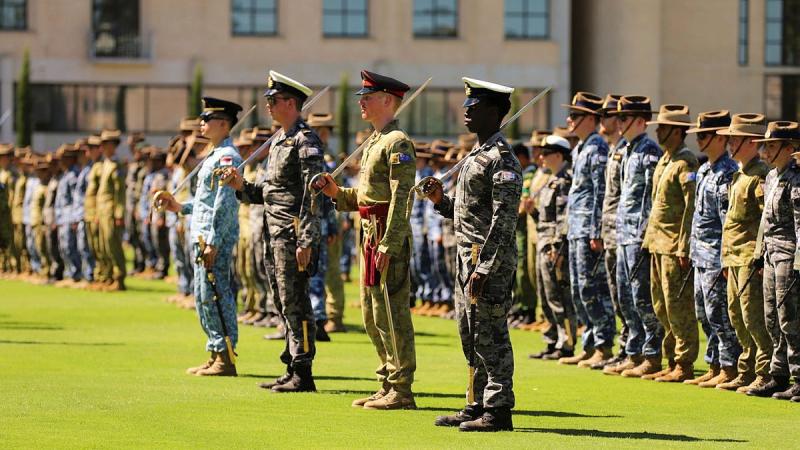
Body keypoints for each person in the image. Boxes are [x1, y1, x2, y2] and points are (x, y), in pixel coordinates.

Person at [421, 77, 520, 432]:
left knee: (491, 334)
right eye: (466, 106)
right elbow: (468, 213)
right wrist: (440, 202)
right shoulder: (477, 155)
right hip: (467, 257)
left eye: (473, 108)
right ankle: (475, 402)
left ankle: (498, 409)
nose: (466, 113)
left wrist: (485, 267)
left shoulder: (502, 159)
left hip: (487, 262)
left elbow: (504, 220)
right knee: (470, 332)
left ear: (493, 113)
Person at [315, 70, 418, 410]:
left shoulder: (397, 142)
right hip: (369, 233)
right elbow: (364, 195)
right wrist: (336, 193)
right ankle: (386, 381)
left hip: (386, 236)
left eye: (368, 97)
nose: (361, 101)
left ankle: (402, 389)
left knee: (391, 313)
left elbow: (401, 198)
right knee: (372, 316)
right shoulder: (375, 141)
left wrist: (389, 243)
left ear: (388, 100)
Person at [223, 72, 323, 391]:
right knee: (281, 299)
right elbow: (270, 191)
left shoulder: (304, 140)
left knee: (296, 301)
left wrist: (306, 239)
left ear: (290, 103)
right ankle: (291, 364)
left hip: (293, 233)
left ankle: (303, 372)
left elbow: (313, 192)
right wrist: (242, 187)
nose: (268, 106)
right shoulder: (279, 139)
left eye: (273, 100)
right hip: (274, 229)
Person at [156, 97, 243, 377]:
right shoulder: (213, 155)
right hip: (202, 234)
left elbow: (224, 204)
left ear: (223, 123)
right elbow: (204, 202)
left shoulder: (228, 157)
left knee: (216, 295)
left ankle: (226, 357)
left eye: (207, 119)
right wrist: (179, 207)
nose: (202, 123)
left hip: (212, 238)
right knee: (203, 296)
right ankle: (215, 351)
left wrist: (214, 241)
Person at [717, 113, 774, 393]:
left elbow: (767, 221)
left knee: (753, 316)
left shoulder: (760, 176)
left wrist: (761, 256)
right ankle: (747, 368)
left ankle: (764, 372)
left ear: (751, 141)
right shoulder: (740, 174)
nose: (729, 144)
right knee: (735, 314)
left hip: (750, 256)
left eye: (735, 139)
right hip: (734, 255)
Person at [685, 111, 742, 387]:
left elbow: (726, 220)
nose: (699, 139)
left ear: (720, 137)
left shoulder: (727, 172)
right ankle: (714, 363)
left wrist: (725, 259)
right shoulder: (706, 169)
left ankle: (730, 366)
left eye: (704, 135)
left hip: (716, 255)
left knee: (719, 313)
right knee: (703, 312)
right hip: (700, 253)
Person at [559, 92, 615, 368]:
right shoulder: (580, 148)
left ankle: (603, 345)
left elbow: (599, 192)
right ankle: (589, 342)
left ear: (591, 119)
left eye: (575, 115)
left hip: (588, 229)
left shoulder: (597, 148)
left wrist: (596, 230)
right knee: (579, 288)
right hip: (576, 227)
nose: (569, 119)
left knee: (592, 288)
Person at [748, 121, 800, 400]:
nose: (765, 150)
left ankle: (798, 376)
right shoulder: (771, 177)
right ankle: (779, 375)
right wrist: (758, 254)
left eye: (771, 145)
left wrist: (799, 263)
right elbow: (764, 223)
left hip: (788, 256)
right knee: (771, 317)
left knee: (789, 318)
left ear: (789, 148)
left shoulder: (797, 178)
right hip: (770, 253)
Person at [530, 135, 577, 362]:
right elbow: (545, 218)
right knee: (546, 295)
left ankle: (566, 342)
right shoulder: (551, 179)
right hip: (543, 241)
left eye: (546, 154)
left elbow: (562, 218)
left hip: (553, 245)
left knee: (559, 296)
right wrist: (531, 211)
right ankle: (552, 340)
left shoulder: (564, 180)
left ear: (558, 155)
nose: (541, 158)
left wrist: (557, 247)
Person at [597, 94, 629, 370]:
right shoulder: (614, 150)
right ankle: (625, 350)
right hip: (610, 232)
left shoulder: (628, 151)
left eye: (607, 115)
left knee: (628, 296)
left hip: (624, 234)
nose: (602, 121)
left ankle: (633, 352)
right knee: (617, 295)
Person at [96, 129, 127, 291]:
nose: (103, 147)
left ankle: (119, 277)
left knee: (112, 244)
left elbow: (119, 192)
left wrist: (119, 213)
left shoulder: (116, 165)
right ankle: (108, 276)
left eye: (106, 144)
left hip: (111, 210)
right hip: (102, 210)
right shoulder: (105, 164)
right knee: (103, 245)